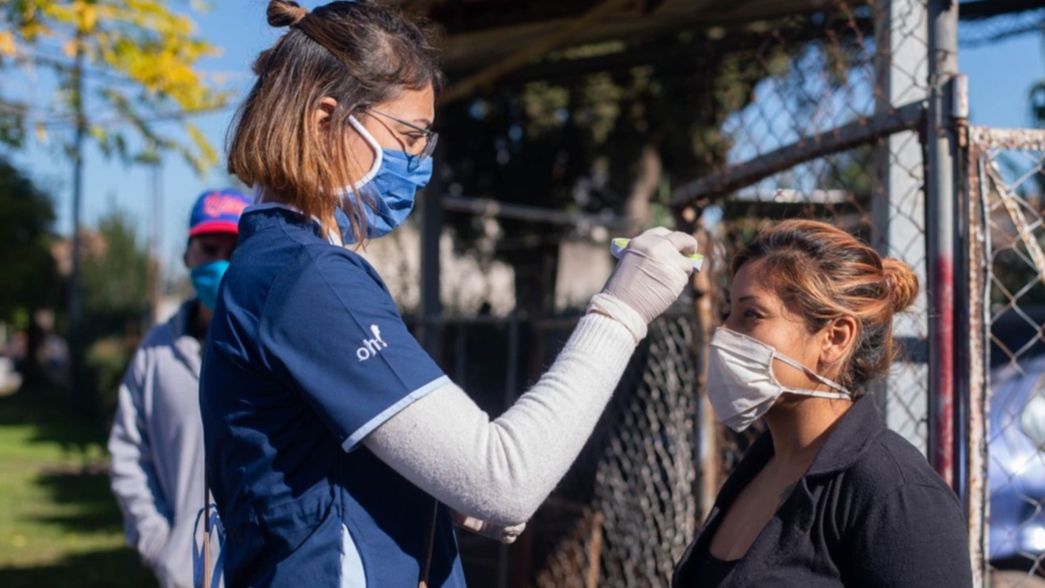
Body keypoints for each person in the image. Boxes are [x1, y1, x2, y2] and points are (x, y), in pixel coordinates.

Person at [198, 1, 698, 586]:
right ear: (325, 121)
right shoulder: (309, 278)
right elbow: (504, 480)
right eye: (409, 136)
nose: (420, 164)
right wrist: (621, 311)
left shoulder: (272, 265)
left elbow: (311, 464)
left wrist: (428, 492)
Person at [672, 219, 972, 587]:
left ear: (835, 338)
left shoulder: (895, 492)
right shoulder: (762, 466)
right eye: (728, 313)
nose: (724, 333)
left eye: (751, 314)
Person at [108, 188, 250, 588]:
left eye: (235, 250)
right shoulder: (155, 351)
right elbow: (128, 454)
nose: (221, 262)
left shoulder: (278, 344)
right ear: (188, 255)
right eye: (209, 248)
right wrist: (160, 545)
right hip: (186, 575)